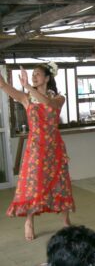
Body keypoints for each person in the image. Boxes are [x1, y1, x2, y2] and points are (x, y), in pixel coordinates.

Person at [1, 63, 75, 241]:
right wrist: (13, 85)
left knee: (60, 182)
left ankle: (66, 220)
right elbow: (4, 86)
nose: (33, 77)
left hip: (54, 147)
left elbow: (47, 103)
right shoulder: (26, 98)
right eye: (32, 74)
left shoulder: (59, 98)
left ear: (48, 78)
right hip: (35, 148)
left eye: (37, 74)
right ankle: (29, 221)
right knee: (32, 184)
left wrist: (27, 86)